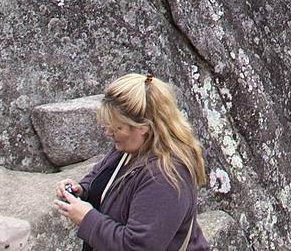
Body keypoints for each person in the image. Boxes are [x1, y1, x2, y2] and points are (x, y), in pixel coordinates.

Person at [53, 73, 210, 251]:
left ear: (144, 127)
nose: (109, 133)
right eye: (108, 126)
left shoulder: (165, 176)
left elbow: (138, 247)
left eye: (117, 127)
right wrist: (81, 190)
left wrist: (87, 218)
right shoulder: (130, 148)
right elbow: (103, 177)